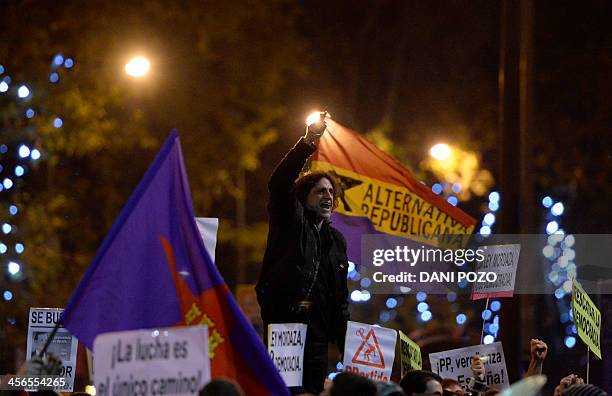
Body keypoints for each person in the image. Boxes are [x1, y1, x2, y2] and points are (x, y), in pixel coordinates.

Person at [256, 113, 350, 394]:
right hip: (286, 328)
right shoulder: (291, 223)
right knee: (286, 391)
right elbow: (278, 184)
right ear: (303, 197)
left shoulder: (336, 240)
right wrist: (308, 143)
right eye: (320, 191)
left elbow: (340, 296)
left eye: (331, 192)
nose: (328, 197)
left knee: (312, 391)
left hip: (319, 339)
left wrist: (347, 343)